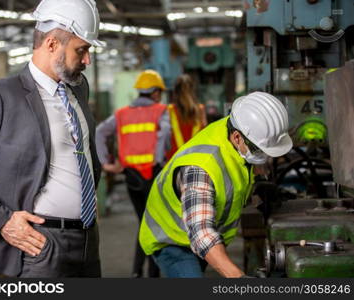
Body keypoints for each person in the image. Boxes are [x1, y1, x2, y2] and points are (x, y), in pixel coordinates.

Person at [0, 0, 105, 278]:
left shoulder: (79, 89)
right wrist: (1, 220)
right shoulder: (3, 96)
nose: (87, 60)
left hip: (89, 238)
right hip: (41, 244)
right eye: (82, 50)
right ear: (52, 44)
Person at [139, 92, 293, 277]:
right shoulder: (201, 169)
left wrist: (258, 183)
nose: (264, 158)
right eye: (260, 151)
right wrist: (239, 277)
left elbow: (243, 166)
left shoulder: (237, 129)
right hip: (172, 239)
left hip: (200, 230)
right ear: (237, 137)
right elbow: (201, 234)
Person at [96, 70, 171, 278]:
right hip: (152, 174)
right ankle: (151, 274)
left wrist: (106, 163)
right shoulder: (161, 110)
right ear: (155, 92)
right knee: (153, 224)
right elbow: (165, 134)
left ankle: (137, 271)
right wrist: (158, 160)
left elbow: (99, 132)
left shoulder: (121, 114)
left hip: (131, 177)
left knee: (143, 223)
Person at [166, 74, 207, 159]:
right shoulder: (200, 109)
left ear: (175, 92)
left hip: (174, 161)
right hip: (196, 160)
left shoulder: (169, 110)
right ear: (193, 90)